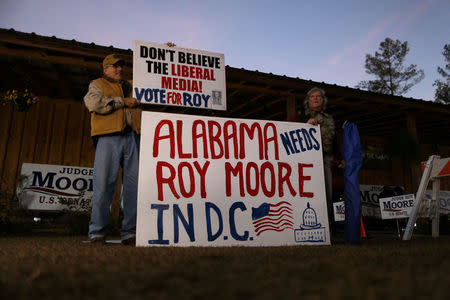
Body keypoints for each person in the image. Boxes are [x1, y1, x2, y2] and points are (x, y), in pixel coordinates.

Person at [84, 54, 141, 245]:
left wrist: (167, 54)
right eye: (114, 66)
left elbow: (158, 80)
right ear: (105, 69)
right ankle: (97, 232)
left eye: (120, 66)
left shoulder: (134, 83)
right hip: (108, 137)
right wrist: (122, 101)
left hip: (133, 136)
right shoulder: (97, 84)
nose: (119, 69)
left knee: (133, 187)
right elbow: (93, 104)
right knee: (103, 185)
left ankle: (130, 233)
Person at [298, 87, 337, 221]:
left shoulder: (330, 118)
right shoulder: (299, 116)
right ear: (308, 100)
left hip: (325, 159)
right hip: (306, 161)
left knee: (327, 192)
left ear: (323, 100)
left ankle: (328, 224)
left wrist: (339, 158)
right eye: (312, 96)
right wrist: (305, 124)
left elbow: (335, 140)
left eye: (318, 96)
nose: (315, 98)